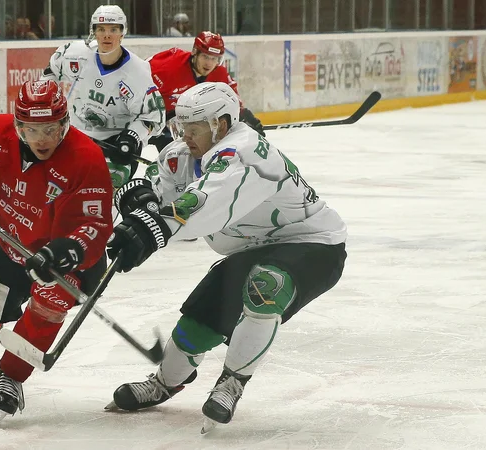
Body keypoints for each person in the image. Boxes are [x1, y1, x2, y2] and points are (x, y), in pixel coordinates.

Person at [104, 82, 347, 433]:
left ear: (221, 123)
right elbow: (161, 190)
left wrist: (152, 227)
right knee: (196, 327)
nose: (185, 136)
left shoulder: (245, 151)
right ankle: (165, 382)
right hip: (251, 248)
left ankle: (232, 383)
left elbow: (206, 200)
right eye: (181, 127)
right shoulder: (180, 155)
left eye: (194, 128)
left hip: (313, 244)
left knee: (266, 285)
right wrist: (140, 199)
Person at [0, 80, 113, 426]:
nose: (41, 139)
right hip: (10, 245)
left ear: (64, 126)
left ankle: (12, 375)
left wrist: (69, 249)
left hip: (64, 264)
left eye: (49, 129)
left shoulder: (86, 159)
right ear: (18, 126)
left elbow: (96, 225)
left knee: (50, 301)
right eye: (31, 129)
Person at [40, 5, 165, 189]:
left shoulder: (137, 73)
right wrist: (46, 98)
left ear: (123, 33)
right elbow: (51, 70)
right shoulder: (75, 54)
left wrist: (132, 137)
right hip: (76, 136)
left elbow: (154, 117)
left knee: (103, 196)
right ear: (94, 33)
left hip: (116, 143)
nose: (107, 35)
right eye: (101, 29)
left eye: (113, 29)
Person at [147, 31, 265, 152]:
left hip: (176, 123)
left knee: (184, 152)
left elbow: (233, 103)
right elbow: (138, 82)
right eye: (205, 56)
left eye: (214, 58)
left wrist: (246, 118)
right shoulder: (170, 65)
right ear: (195, 52)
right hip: (146, 116)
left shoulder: (219, 74)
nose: (209, 63)